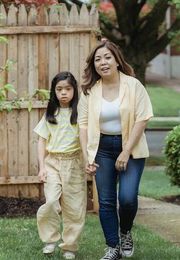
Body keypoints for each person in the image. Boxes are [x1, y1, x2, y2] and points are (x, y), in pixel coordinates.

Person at [78, 40, 153, 260]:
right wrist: (87, 156)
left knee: (128, 198)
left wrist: (125, 151)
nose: (103, 62)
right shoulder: (90, 91)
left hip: (132, 148)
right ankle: (113, 247)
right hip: (102, 148)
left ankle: (125, 232)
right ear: (94, 65)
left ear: (117, 60)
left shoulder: (133, 85)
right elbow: (82, 124)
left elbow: (143, 118)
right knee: (107, 201)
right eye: (98, 59)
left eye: (107, 57)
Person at [34, 72, 86, 260]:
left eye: (68, 89)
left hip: (74, 164)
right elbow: (41, 141)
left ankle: (69, 247)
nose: (63, 93)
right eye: (59, 89)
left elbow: (86, 138)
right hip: (53, 163)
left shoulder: (80, 113)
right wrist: (42, 167)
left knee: (74, 207)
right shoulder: (50, 114)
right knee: (50, 201)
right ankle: (50, 239)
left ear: (74, 90)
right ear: (54, 92)